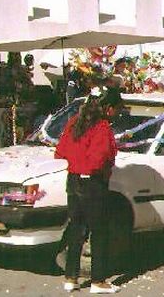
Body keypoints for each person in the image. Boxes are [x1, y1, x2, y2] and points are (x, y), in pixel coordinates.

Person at [55, 86, 122, 294]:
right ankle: (98, 280)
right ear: (108, 108)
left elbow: (61, 151)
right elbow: (99, 158)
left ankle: (71, 277)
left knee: (76, 229)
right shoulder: (101, 127)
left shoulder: (75, 122)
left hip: (73, 179)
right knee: (99, 231)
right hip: (93, 183)